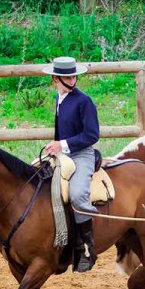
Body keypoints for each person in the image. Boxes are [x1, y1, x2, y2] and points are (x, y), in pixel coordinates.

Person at [42, 57, 100, 272]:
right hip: (62, 153)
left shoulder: (83, 101)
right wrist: (55, 147)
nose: (72, 79)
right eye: (67, 76)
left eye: (74, 75)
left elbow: (91, 135)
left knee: (76, 195)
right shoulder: (59, 98)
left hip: (82, 154)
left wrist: (62, 145)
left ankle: (86, 248)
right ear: (55, 79)